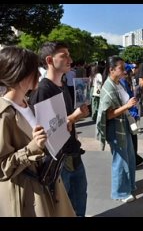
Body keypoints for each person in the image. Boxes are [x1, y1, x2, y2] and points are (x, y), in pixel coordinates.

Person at [0, 46, 75, 217]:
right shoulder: (4, 114)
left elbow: (42, 140)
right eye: (35, 70)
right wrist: (32, 148)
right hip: (27, 197)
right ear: (20, 74)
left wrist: (60, 131)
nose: (40, 74)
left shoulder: (27, 104)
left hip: (47, 185)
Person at [29, 41, 89, 217]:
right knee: (62, 209)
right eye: (64, 55)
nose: (69, 59)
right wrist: (73, 117)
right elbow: (44, 134)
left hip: (74, 154)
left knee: (79, 202)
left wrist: (75, 120)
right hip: (58, 163)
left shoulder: (62, 87)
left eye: (69, 54)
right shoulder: (42, 90)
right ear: (49, 60)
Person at [96, 56, 137, 203]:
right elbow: (108, 115)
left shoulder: (119, 83)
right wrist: (127, 106)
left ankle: (129, 185)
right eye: (121, 68)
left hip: (123, 124)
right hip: (115, 127)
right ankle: (120, 192)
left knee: (130, 157)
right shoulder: (108, 87)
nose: (124, 70)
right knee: (120, 160)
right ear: (111, 70)